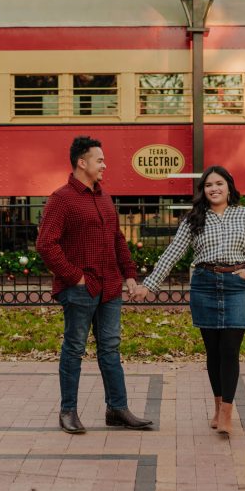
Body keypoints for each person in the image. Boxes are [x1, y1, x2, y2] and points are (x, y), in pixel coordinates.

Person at [132, 166, 245, 435]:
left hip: (238, 286)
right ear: (203, 190)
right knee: (213, 352)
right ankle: (218, 407)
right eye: (208, 185)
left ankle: (227, 413)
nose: (214, 189)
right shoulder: (195, 219)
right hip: (205, 285)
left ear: (229, 186)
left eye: (219, 183)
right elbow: (172, 253)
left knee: (230, 350)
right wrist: (149, 285)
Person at [36, 136, 153, 434]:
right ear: (82, 162)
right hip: (80, 289)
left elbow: (117, 239)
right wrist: (74, 276)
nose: (104, 165)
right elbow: (46, 244)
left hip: (110, 287)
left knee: (110, 349)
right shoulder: (61, 199)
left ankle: (117, 408)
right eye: (99, 160)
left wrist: (129, 275)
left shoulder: (104, 197)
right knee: (74, 348)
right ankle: (68, 412)